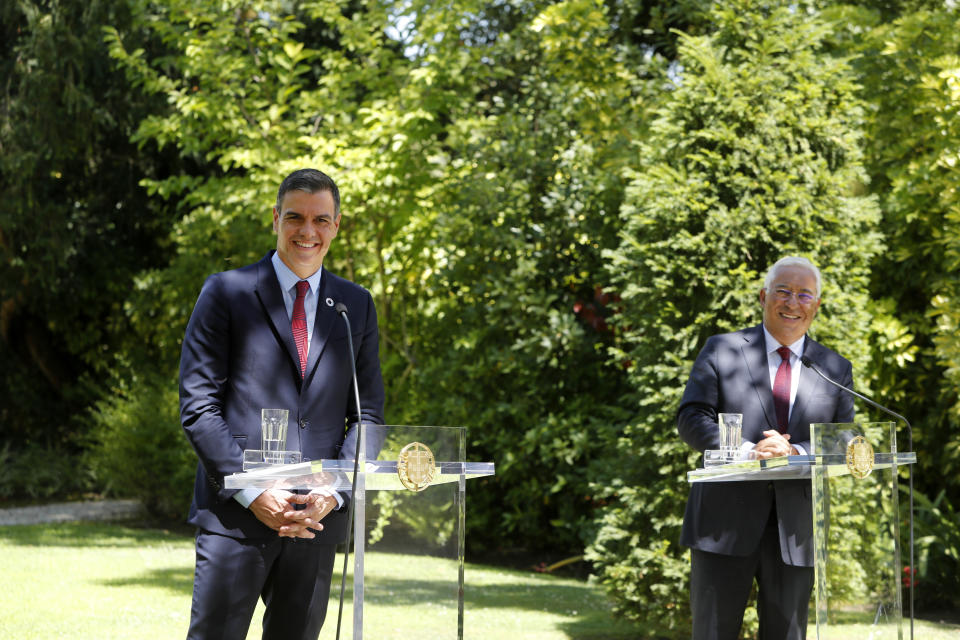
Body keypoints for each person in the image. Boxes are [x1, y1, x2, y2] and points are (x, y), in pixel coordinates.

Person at [179, 168, 385, 640]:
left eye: (320, 220)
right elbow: (198, 405)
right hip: (237, 517)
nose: (307, 231)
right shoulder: (225, 293)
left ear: (336, 225)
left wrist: (334, 493)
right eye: (294, 217)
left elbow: (367, 415)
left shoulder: (356, 305)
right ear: (275, 219)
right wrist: (254, 493)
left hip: (317, 520)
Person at [677, 256, 854, 640]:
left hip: (796, 533)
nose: (793, 302)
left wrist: (795, 452)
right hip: (721, 527)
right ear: (763, 297)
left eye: (805, 294)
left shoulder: (834, 367)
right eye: (783, 291)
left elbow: (844, 438)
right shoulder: (721, 350)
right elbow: (691, 419)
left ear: (817, 305)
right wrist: (746, 452)